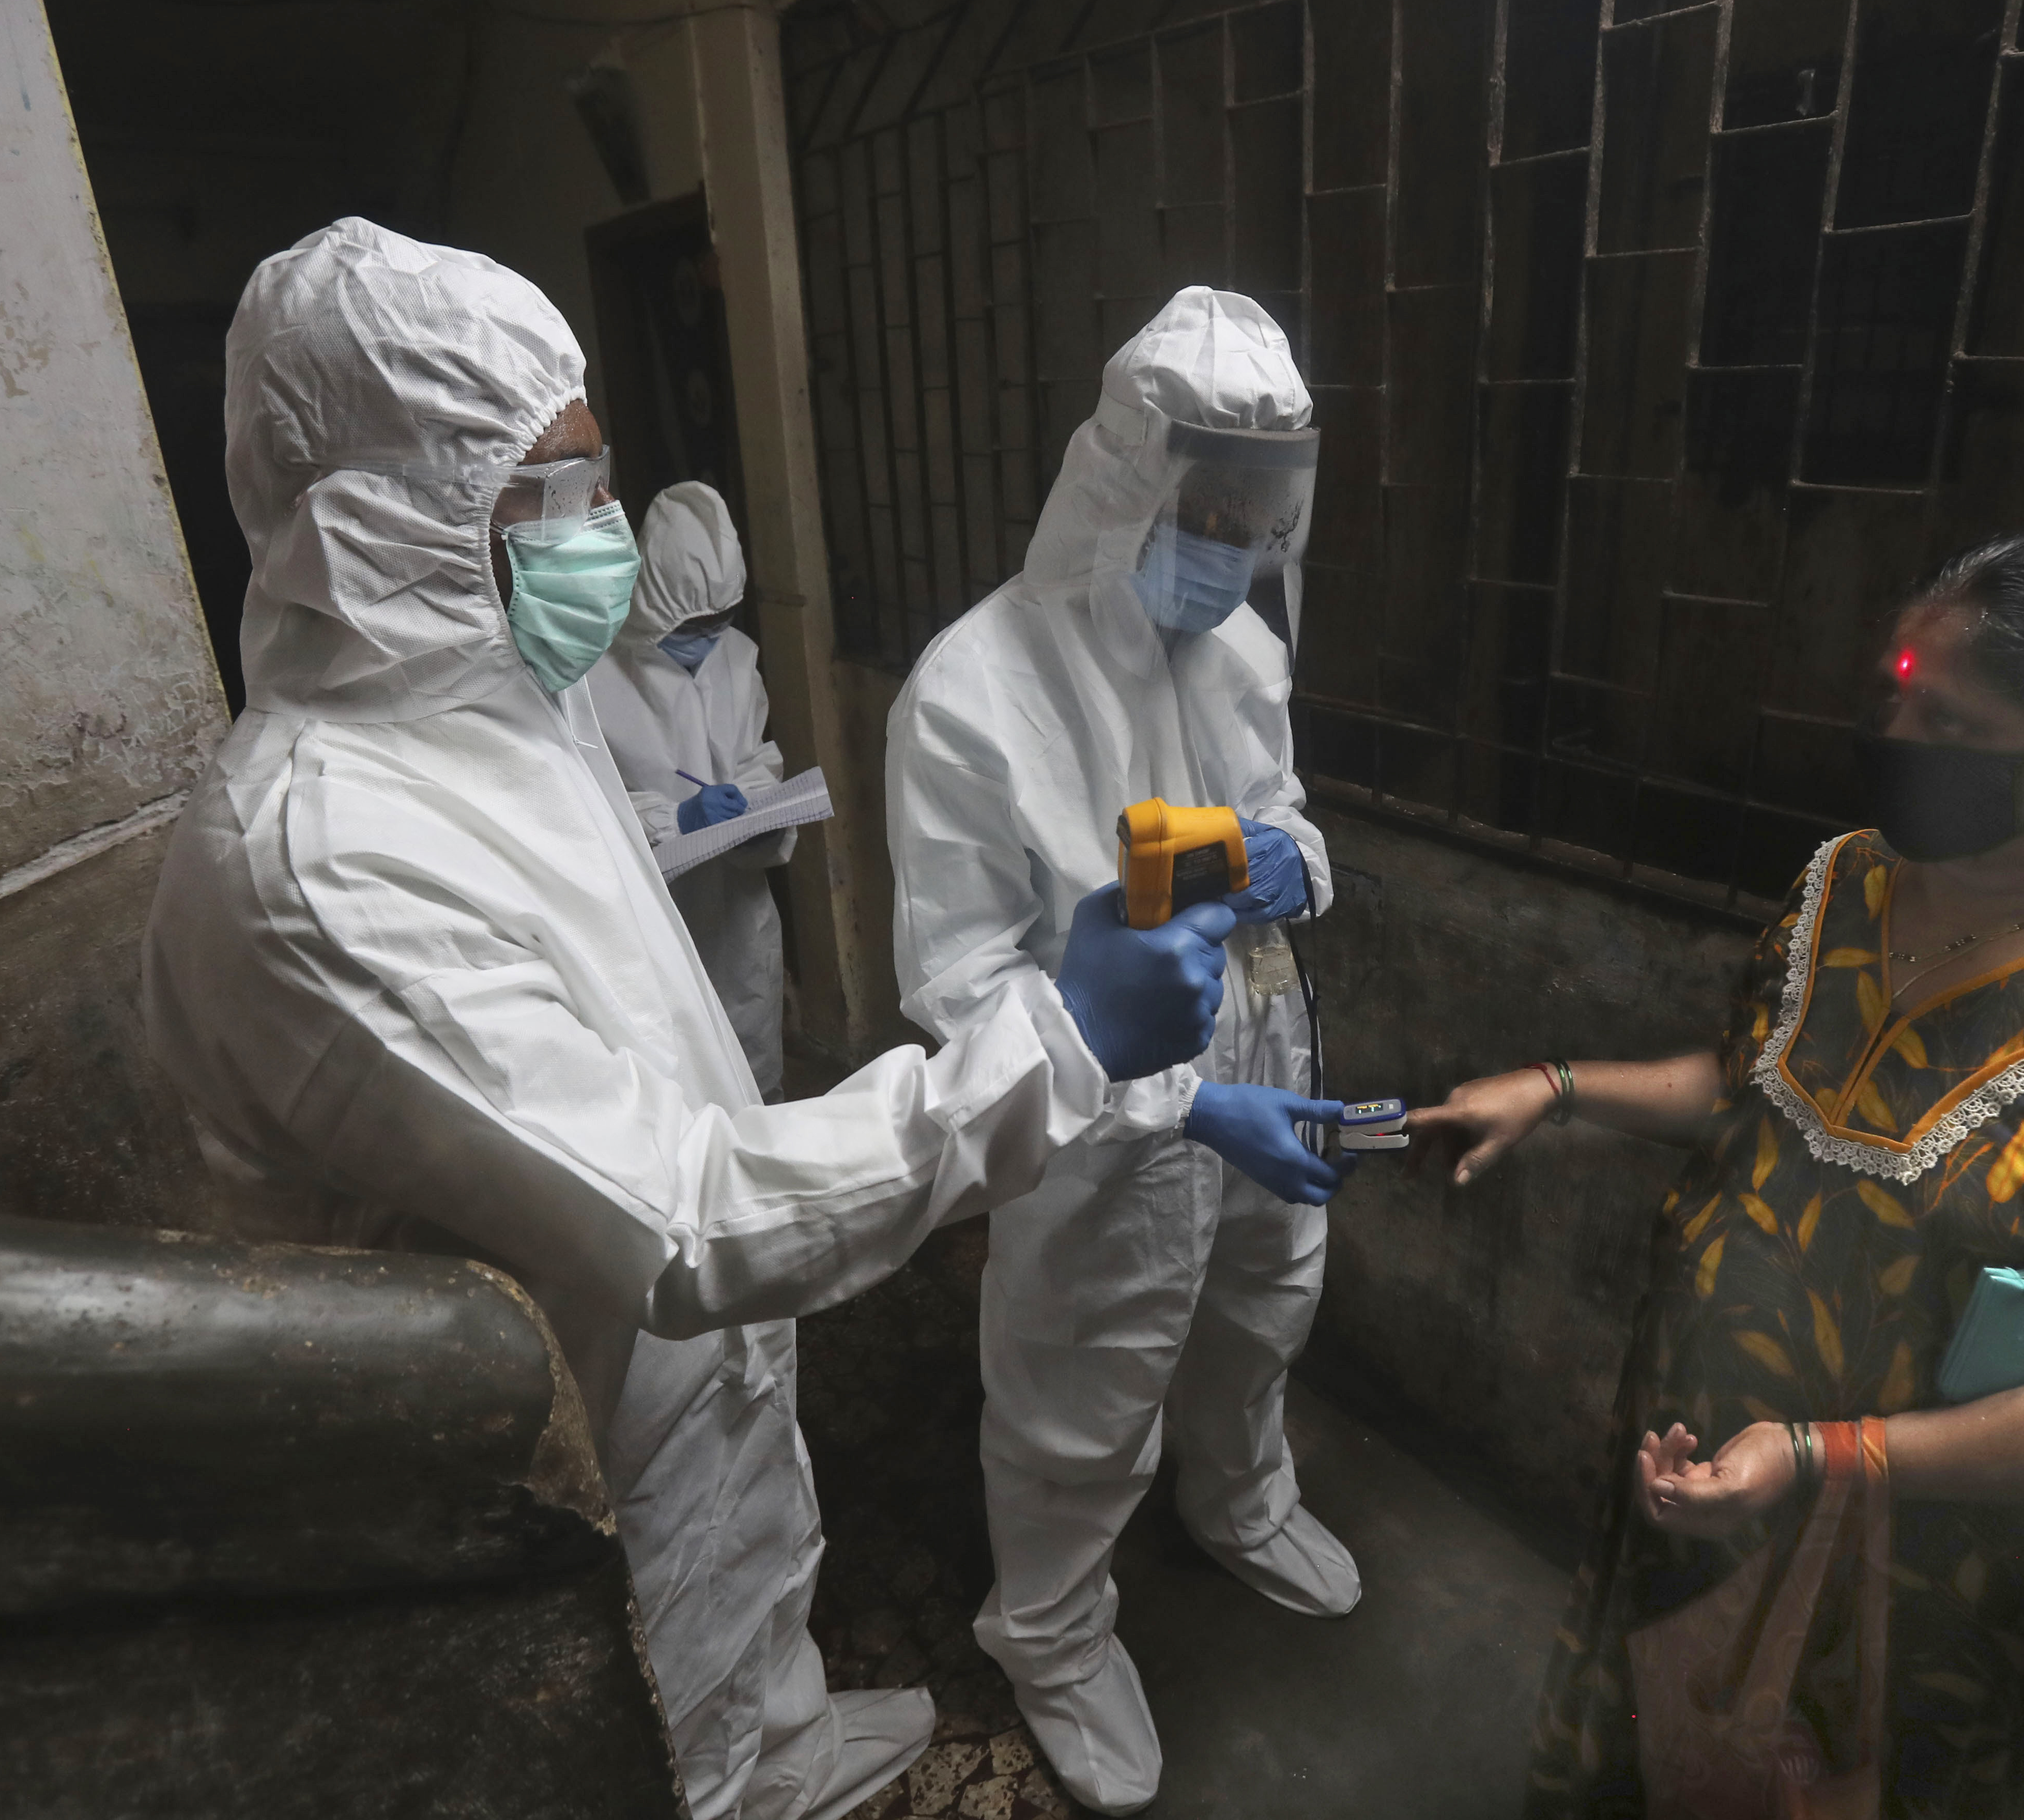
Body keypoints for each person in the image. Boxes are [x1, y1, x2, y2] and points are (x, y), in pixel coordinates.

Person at [140, 220, 1242, 1820]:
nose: (600, 536)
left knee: (736, 1580)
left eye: (602, 481)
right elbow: (676, 1226)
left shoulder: (506, 704)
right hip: (544, 1442)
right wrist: (1059, 1039)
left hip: (670, 1371)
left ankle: (786, 1749)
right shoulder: (318, 864)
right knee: (639, 1699)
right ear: (381, 517)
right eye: (553, 497)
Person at [1410, 528, 2024, 1818]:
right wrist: (1557, 1090)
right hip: (1699, 1491)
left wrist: (1824, 1454)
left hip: (1932, 1605)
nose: (1896, 728)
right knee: (1652, 1748)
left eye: (1945, 716)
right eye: (1895, 688)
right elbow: (1759, 1092)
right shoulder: (1847, 884)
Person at [886, 286, 1356, 1814]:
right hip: (1088, 1128)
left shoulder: (1238, 657)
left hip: (1267, 1046)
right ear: (1123, 483)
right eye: (1204, 510)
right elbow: (959, 981)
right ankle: (1052, 1631)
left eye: (1257, 516)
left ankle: (1239, 1499)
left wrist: (1298, 861)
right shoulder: (971, 691)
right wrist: (1179, 1104)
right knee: (1082, 1385)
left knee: (1260, 1314)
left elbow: (1279, 809)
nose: (1232, 549)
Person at [588, 481, 795, 1097]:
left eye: (721, 619)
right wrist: (674, 822)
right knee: (672, 1085)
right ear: (654, 603)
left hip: (737, 917)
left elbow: (756, 757)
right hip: (650, 922)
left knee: (754, 1073)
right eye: (694, 623)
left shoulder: (735, 656)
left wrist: (761, 811)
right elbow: (589, 807)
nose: (709, 636)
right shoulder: (595, 675)